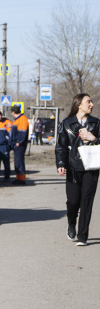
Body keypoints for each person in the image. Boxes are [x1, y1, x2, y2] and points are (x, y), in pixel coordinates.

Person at [56, 93, 100, 246]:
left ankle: (82, 236)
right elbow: (60, 146)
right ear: (79, 104)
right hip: (73, 167)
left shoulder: (96, 123)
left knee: (86, 201)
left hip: (91, 167)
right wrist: (61, 163)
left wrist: (93, 138)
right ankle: (71, 223)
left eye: (92, 102)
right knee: (73, 201)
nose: (92, 104)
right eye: (88, 101)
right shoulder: (67, 123)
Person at [9, 104, 30, 185]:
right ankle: (18, 177)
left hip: (19, 144)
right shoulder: (18, 120)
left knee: (19, 161)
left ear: (13, 112)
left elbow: (22, 132)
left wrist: (18, 142)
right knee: (17, 161)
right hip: (16, 144)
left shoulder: (22, 119)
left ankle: (22, 179)